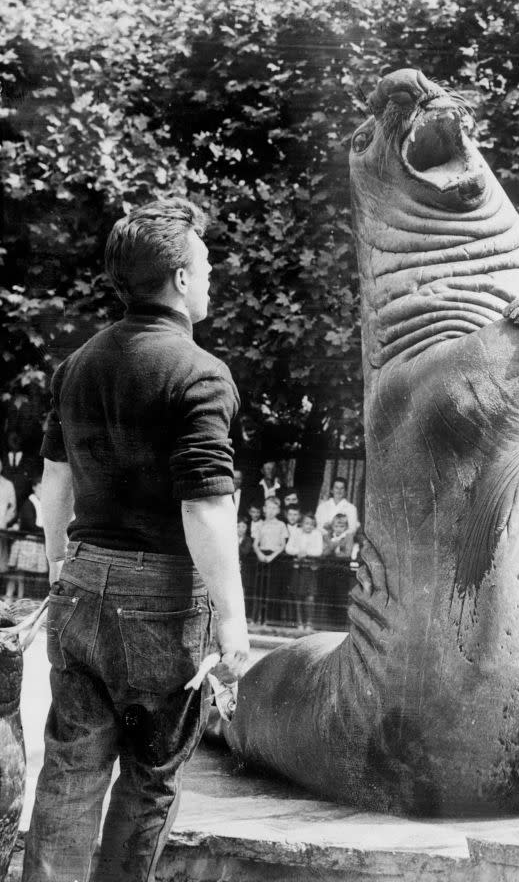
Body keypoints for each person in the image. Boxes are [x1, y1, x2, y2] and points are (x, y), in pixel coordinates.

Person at [22, 198, 251, 882]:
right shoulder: (199, 373)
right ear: (180, 279)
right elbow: (205, 507)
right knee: (150, 778)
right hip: (161, 597)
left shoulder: (75, 368)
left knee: (68, 772)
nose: (211, 277)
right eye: (205, 265)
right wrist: (234, 622)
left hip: (81, 584)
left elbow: (53, 487)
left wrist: (67, 570)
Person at [5, 473, 47, 599]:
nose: (43, 491)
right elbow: (29, 525)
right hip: (27, 543)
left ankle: (23, 599)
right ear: (34, 487)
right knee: (19, 574)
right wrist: (47, 531)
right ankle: (10, 597)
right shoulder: (29, 503)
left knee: (30, 577)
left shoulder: (43, 504)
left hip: (38, 544)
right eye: (41, 487)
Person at [252, 495, 288, 624]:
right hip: (262, 557)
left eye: (274, 508)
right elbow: (255, 544)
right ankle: (256, 619)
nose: (271, 511)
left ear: (278, 510)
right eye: (269, 507)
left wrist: (271, 556)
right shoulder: (260, 525)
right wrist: (260, 555)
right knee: (260, 588)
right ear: (264, 509)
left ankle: (269, 619)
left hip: (275, 558)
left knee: (272, 589)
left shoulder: (281, 525)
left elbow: (282, 545)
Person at [285, 511, 322, 629]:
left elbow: (318, 551)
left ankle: (309, 623)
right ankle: (299, 622)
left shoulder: (317, 534)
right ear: (302, 523)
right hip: (298, 569)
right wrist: (298, 552)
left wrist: (305, 553)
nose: (308, 526)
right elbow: (288, 549)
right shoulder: (296, 533)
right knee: (298, 596)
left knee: (310, 597)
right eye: (306, 523)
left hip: (310, 569)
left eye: (311, 524)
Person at [0, 456, 17, 574]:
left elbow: (13, 508)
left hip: (1, 528)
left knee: (1, 562)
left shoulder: (8, 485)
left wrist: (4, 521)